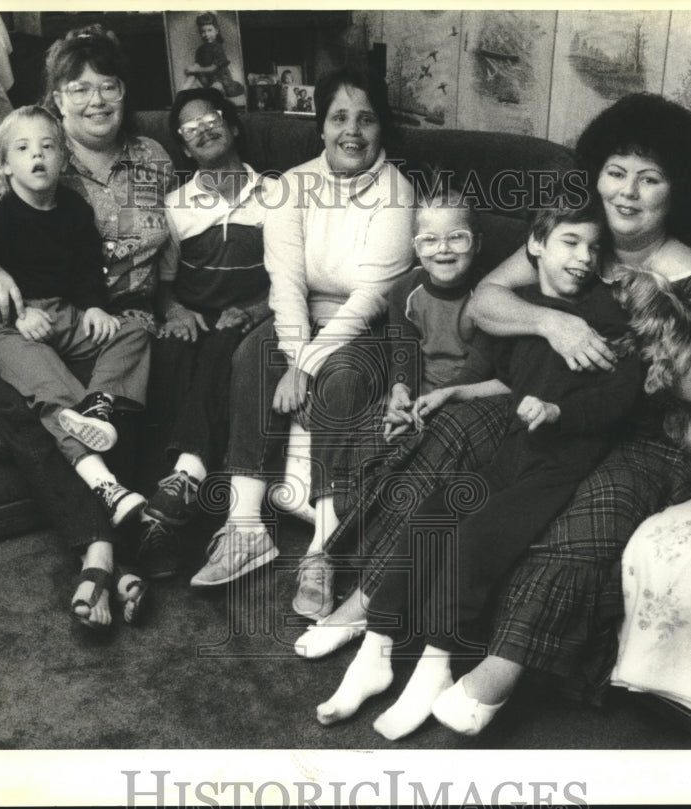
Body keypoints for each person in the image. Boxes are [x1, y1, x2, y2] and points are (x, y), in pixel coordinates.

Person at [300, 92, 691, 737]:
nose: (628, 193)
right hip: (561, 397)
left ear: (677, 188)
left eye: (651, 178)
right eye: (616, 172)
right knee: (458, 433)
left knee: (595, 507)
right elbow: (484, 303)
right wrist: (552, 323)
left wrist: (690, 393)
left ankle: (497, 671)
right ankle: (371, 603)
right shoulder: (580, 241)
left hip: (656, 434)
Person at [315, 201, 645, 739]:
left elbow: (618, 399)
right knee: (430, 517)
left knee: (475, 541)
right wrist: (452, 391)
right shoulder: (518, 309)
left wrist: (560, 411)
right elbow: (504, 379)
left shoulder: (608, 317)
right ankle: (375, 653)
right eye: (569, 242)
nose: (584, 258)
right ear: (535, 246)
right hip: (513, 450)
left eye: (593, 247)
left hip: (560, 462)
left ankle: (434, 664)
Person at [0, 25, 174, 629]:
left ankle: (105, 557)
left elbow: (189, 236)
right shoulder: (26, 151)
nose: (96, 99)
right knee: (32, 409)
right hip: (27, 321)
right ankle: (103, 554)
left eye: (109, 85)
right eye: (79, 88)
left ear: (126, 91)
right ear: (56, 99)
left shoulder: (154, 158)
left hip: (110, 320)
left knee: (125, 401)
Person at [189, 65, 416, 587]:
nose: (351, 132)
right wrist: (295, 356)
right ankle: (245, 528)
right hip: (301, 317)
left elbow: (370, 300)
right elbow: (286, 283)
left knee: (340, 378)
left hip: (365, 327)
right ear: (321, 127)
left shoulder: (397, 194)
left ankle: (324, 551)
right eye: (339, 117)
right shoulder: (292, 185)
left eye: (366, 119)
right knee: (251, 353)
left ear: (381, 130)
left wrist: (308, 365)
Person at [0, 105, 151, 549]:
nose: (36, 156)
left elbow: (85, 272)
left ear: (63, 158)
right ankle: (105, 485)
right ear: (4, 166)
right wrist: (17, 315)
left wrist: (96, 308)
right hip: (4, 329)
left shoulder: (75, 210)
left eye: (47, 147)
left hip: (64, 314)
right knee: (49, 384)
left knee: (132, 330)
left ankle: (99, 405)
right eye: (23, 149)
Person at [290, 187, 490, 619]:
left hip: (463, 405)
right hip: (419, 396)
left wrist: (430, 408)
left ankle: (367, 575)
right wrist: (400, 392)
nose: (443, 250)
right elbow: (403, 351)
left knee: (411, 466)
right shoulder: (406, 290)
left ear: (477, 242)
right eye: (430, 240)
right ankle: (326, 555)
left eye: (457, 238)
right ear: (416, 246)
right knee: (367, 439)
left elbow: (479, 368)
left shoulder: (487, 296)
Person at [133, 87, 275, 579]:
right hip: (194, 315)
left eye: (211, 118)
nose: (203, 130)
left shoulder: (277, 197)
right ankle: (163, 512)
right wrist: (173, 312)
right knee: (171, 357)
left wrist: (255, 312)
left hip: (247, 319)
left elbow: (291, 277)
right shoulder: (175, 206)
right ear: (184, 148)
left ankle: (185, 483)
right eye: (189, 129)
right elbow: (164, 285)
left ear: (233, 126)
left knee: (221, 352)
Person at [183, 12, 245, 99]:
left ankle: (217, 106)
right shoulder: (200, 50)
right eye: (203, 32)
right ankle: (181, 94)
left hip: (220, 78)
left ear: (216, 31)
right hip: (206, 78)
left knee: (216, 87)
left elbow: (214, 68)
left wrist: (197, 69)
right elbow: (197, 64)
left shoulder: (218, 48)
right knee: (191, 77)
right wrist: (191, 69)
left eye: (209, 30)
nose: (206, 34)